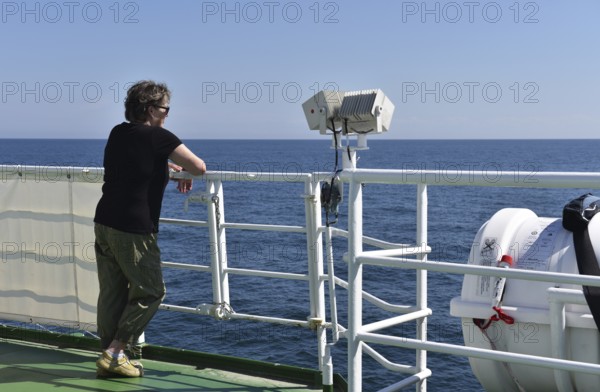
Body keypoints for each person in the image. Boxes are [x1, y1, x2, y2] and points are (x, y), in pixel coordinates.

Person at [93, 80, 206, 377]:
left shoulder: (118, 132)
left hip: (104, 222)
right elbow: (199, 167)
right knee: (152, 290)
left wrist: (168, 171)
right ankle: (116, 352)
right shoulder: (159, 137)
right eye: (165, 108)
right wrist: (181, 170)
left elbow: (135, 167)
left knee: (112, 293)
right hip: (133, 228)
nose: (167, 114)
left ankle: (109, 354)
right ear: (151, 109)